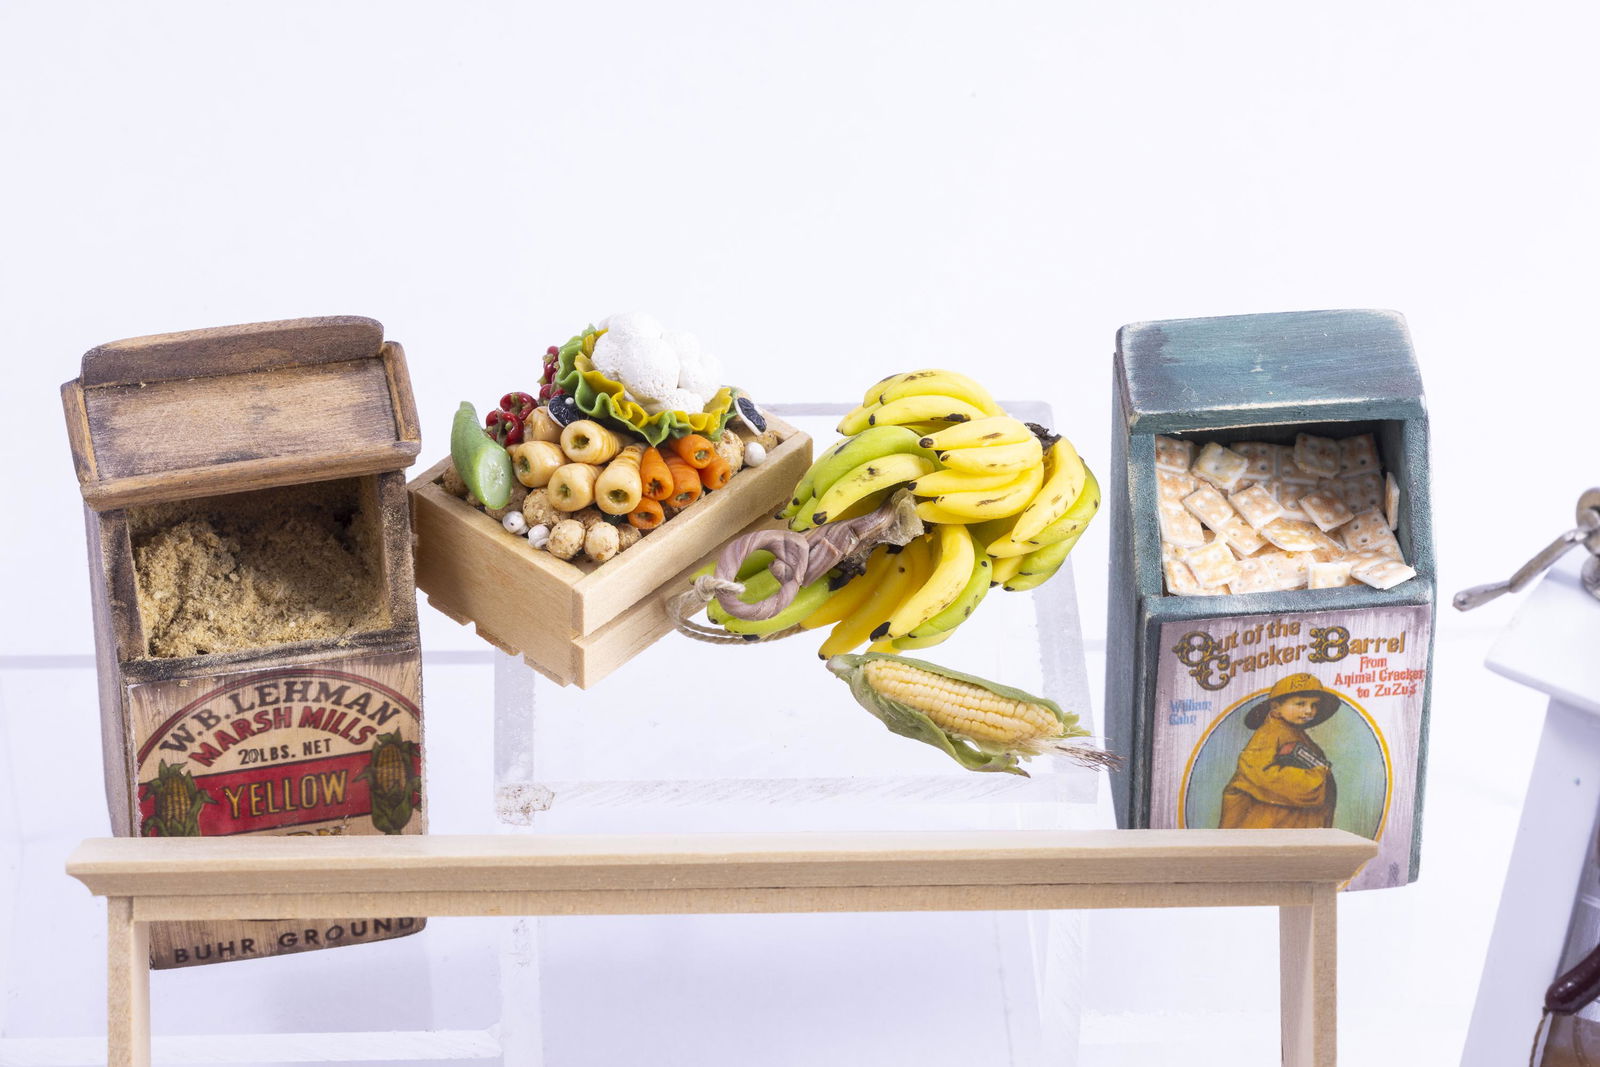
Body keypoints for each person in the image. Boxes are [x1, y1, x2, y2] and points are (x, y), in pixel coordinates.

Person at [1218, 673, 1340, 830]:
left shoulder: (1294, 733)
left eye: (1314, 705)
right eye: (1300, 704)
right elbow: (1258, 773)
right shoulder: (1270, 733)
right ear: (1276, 707)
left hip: (1291, 821)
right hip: (1269, 821)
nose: (1309, 710)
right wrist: (1315, 778)